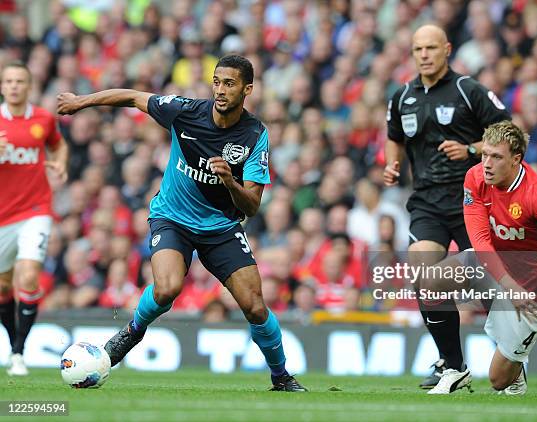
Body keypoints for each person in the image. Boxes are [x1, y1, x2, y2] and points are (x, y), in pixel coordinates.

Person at [57, 55, 307, 392]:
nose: (220, 90)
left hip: (220, 227)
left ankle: (281, 377)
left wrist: (231, 183)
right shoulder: (185, 111)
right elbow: (133, 96)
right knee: (167, 288)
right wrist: (81, 102)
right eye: (217, 81)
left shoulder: (254, 134)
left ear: (248, 89)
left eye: (229, 83)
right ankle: (131, 332)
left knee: (255, 305)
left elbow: (254, 205)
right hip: (172, 217)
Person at [420, 120, 537, 394]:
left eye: (496, 157)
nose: (486, 163)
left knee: (499, 381)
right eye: (485, 154)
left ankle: (516, 370)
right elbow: (480, 241)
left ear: (516, 159)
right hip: (496, 266)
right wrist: (508, 285)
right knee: (431, 281)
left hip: (534, 287)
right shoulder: (474, 178)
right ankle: (454, 367)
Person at [384, 24, 511, 389]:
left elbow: (507, 132)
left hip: (471, 200)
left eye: (431, 48)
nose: (424, 54)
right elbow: (394, 137)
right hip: (426, 202)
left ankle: (512, 358)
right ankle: (452, 365)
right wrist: (392, 165)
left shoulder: (468, 90)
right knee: (424, 278)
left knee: (488, 285)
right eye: (417, 49)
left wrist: (471, 149)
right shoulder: (402, 96)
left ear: (447, 49)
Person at [0, 61, 68, 376]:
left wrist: (60, 163)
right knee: (3, 287)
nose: (14, 86)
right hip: (2, 217)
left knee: (27, 277)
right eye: (9, 81)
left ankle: (18, 352)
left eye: (19, 81)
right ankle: (14, 344)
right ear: (2, 86)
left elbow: (57, 144)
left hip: (35, 210)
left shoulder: (42, 118)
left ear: (29, 86)